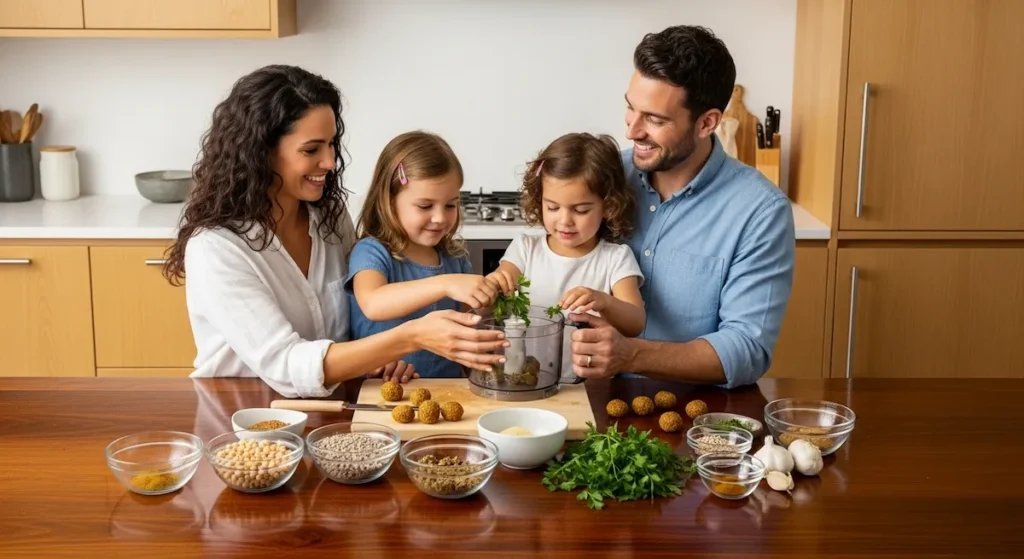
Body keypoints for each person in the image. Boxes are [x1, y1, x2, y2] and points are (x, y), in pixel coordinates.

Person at [163, 65, 507, 399]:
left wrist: (379, 362)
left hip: (332, 406)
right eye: (311, 150)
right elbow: (286, 366)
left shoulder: (328, 215)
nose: (330, 162)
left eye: (331, 144)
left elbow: (352, 326)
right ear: (260, 151)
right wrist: (413, 336)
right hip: (244, 411)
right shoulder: (217, 247)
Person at [568, 25, 796, 388]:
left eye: (655, 120)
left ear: (707, 123)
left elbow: (747, 348)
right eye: (631, 108)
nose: (632, 131)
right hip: (583, 398)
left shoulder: (760, 212)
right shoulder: (606, 176)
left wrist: (631, 354)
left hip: (692, 415)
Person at [346, 131, 500, 378]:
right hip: (384, 392)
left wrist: (488, 302)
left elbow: (471, 321)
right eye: (425, 206)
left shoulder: (455, 257)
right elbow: (374, 304)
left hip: (450, 392)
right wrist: (444, 284)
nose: (440, 218)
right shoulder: (372, 252)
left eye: (450, 205)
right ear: (389, 201)